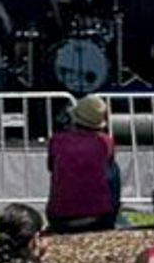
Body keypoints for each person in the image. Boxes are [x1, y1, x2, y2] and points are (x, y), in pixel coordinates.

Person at [46, 92, 122, 234]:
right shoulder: (106, 141)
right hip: (101, 218)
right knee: (112, 169)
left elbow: (51, 167)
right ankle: (111, 211)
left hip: (59, 218)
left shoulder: (57, 141)